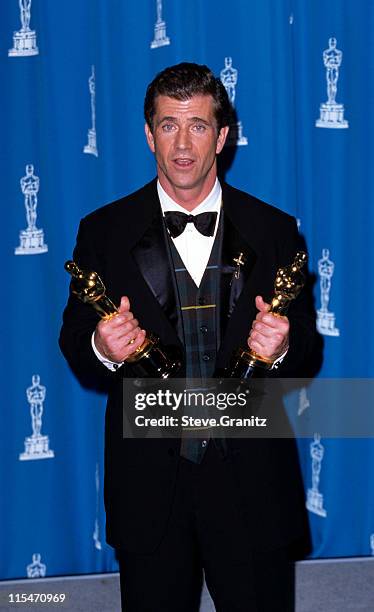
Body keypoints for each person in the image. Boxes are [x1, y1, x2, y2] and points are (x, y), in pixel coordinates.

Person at [60, 62, 317, 611]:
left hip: (250, 480)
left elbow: (308, 353)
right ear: (148, 132)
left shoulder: (274, 230)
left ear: (222, 137)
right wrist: (103, 349)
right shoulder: (101, 232)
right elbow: (76, 344)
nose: (182, 143)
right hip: (150, 485)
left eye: (198, 126)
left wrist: (283, 349)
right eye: (168, 125)